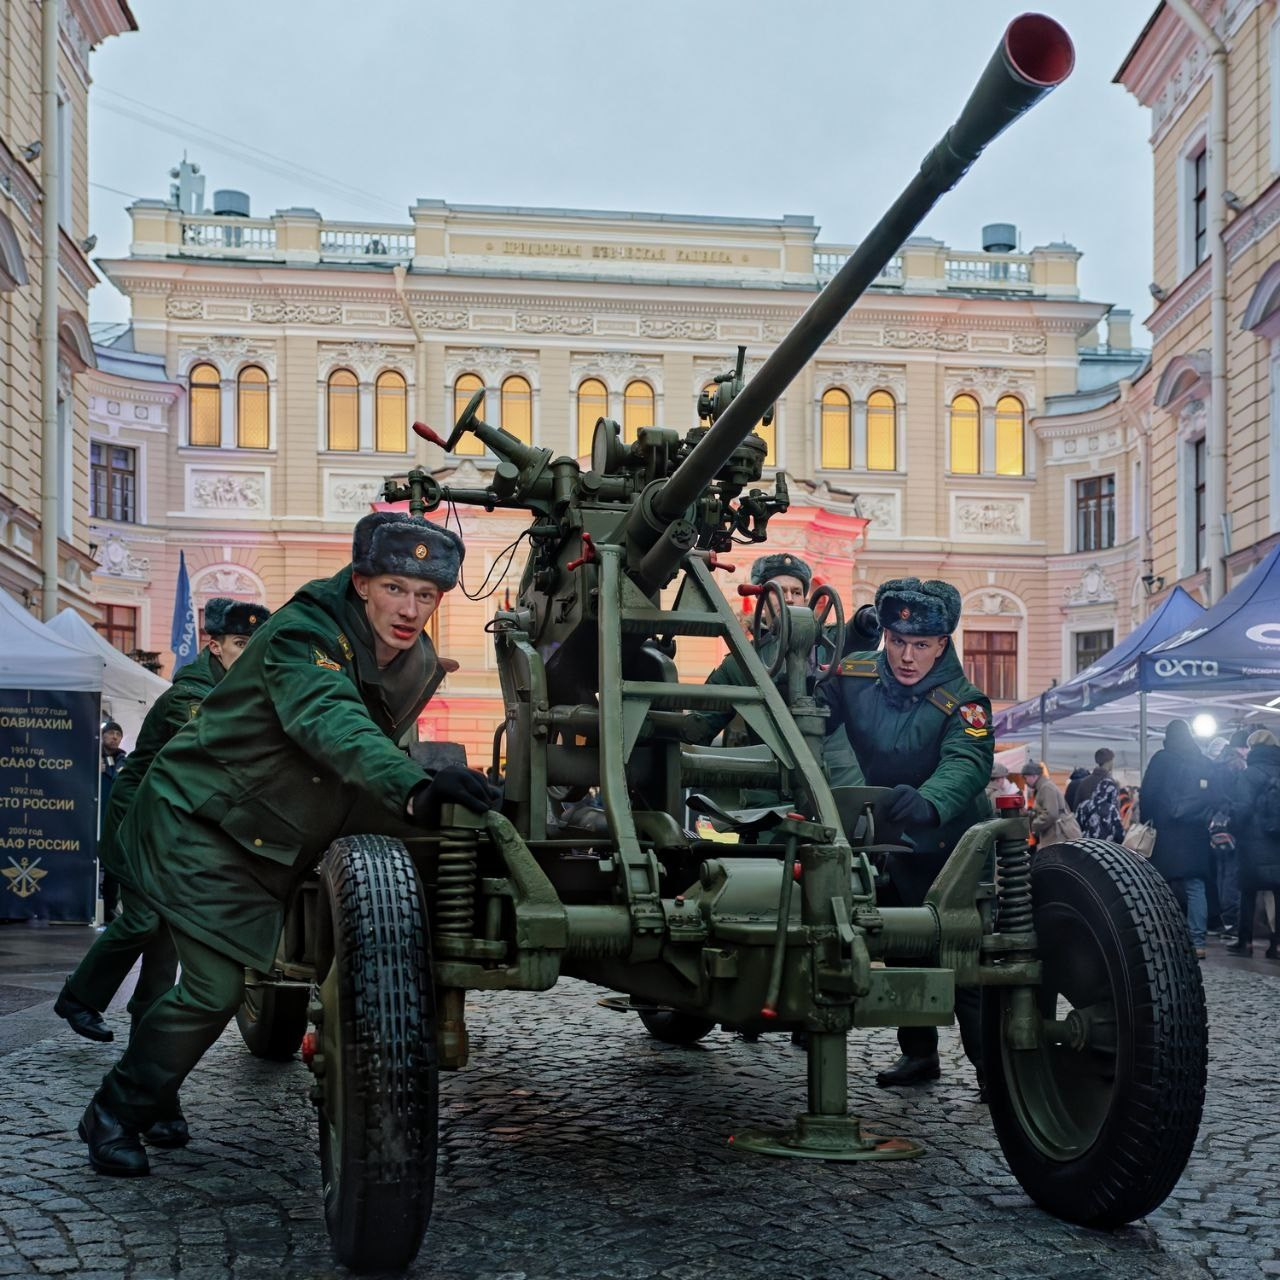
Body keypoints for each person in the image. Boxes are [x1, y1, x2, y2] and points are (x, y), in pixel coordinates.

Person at [76, 512, 501, 1177]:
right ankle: (116, 1110)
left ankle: (151, 1096)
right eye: (395, 588)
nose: (410, 609)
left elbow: (370, 748)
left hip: (273, 830)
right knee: (213, 989)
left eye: (426, 596)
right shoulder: (303, 634)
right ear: (362, 583)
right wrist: (412, 788)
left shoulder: (415, 661)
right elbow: (327, 719)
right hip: (203, 819)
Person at [55, 598, 272, 1074]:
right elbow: (220, 752)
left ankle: (145, 1051)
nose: (250, 651)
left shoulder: (239, 684)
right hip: (138, 821)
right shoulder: (192, 694)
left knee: (166, 942)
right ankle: (79, 996)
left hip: (174, 830)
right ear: (214, 645)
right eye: (240, 643)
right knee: (143, 921)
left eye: (257, 643)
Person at [820, 577, 992, 1093]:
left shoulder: (965, 702)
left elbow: (968, 761)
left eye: (921, 645)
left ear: (943, 645)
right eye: (897, 641)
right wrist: (852, 635)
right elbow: (807, 689)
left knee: (962, 962)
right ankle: (919, 1056)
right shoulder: (856, 676)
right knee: (903, 950)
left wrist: (931, 801)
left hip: (950, 844)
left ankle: (993, 1071)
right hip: (887, 840)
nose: (907, 657)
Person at [684, 552, 866, 788]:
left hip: (840, 785)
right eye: (778, 591)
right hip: (772, 790)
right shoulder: (741, 662)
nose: (788, 599)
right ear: (759, 599)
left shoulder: (833, 644)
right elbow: (701, 725)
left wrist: (866, 621)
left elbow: (858, 635)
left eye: (796, 592)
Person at [1139, 718, 1224, 959]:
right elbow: (1216, 796)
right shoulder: (1202, 762)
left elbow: (1148, 793)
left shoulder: (1161, 759)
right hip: (1195, 832)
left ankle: (1165, 937)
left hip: (1166, 831)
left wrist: (1148, 820)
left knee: (1161, 885)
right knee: (1196, 886)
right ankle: (1197, 941)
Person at [1226, 729, 1280, 959]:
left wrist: (1232, 828)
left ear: (1254, 749)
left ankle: (1245, 941)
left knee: (1248, 892)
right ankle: (1277, 945)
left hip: (1252, 841)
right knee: (1279, 894)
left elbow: (1242, 808)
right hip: (1277, 841)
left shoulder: (1249, 775)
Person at [98, 721, 128, 919]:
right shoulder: (92, 757)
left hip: (115, 822)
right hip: (94, 821)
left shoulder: (125, 762)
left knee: (112, 869)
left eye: (118, 733)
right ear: (102, 736)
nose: (115, 737)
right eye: (111, 733)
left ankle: (109, 910)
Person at [1018, 762, 1078, 850]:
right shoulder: (1044, 786)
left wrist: (1034, 825)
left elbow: (1051, 814)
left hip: (1058, 833)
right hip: (1056, 832)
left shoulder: (1046, 788)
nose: (1025, 781)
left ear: (1034, 776)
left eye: (1026, 777)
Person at [1072, 748, 1124, 842]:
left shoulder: (1084, 782)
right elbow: (1115, 810)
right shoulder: (1111, 784)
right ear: (1109, 761)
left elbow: (1076, 808)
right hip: (1107, 838)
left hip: (1086, 838)